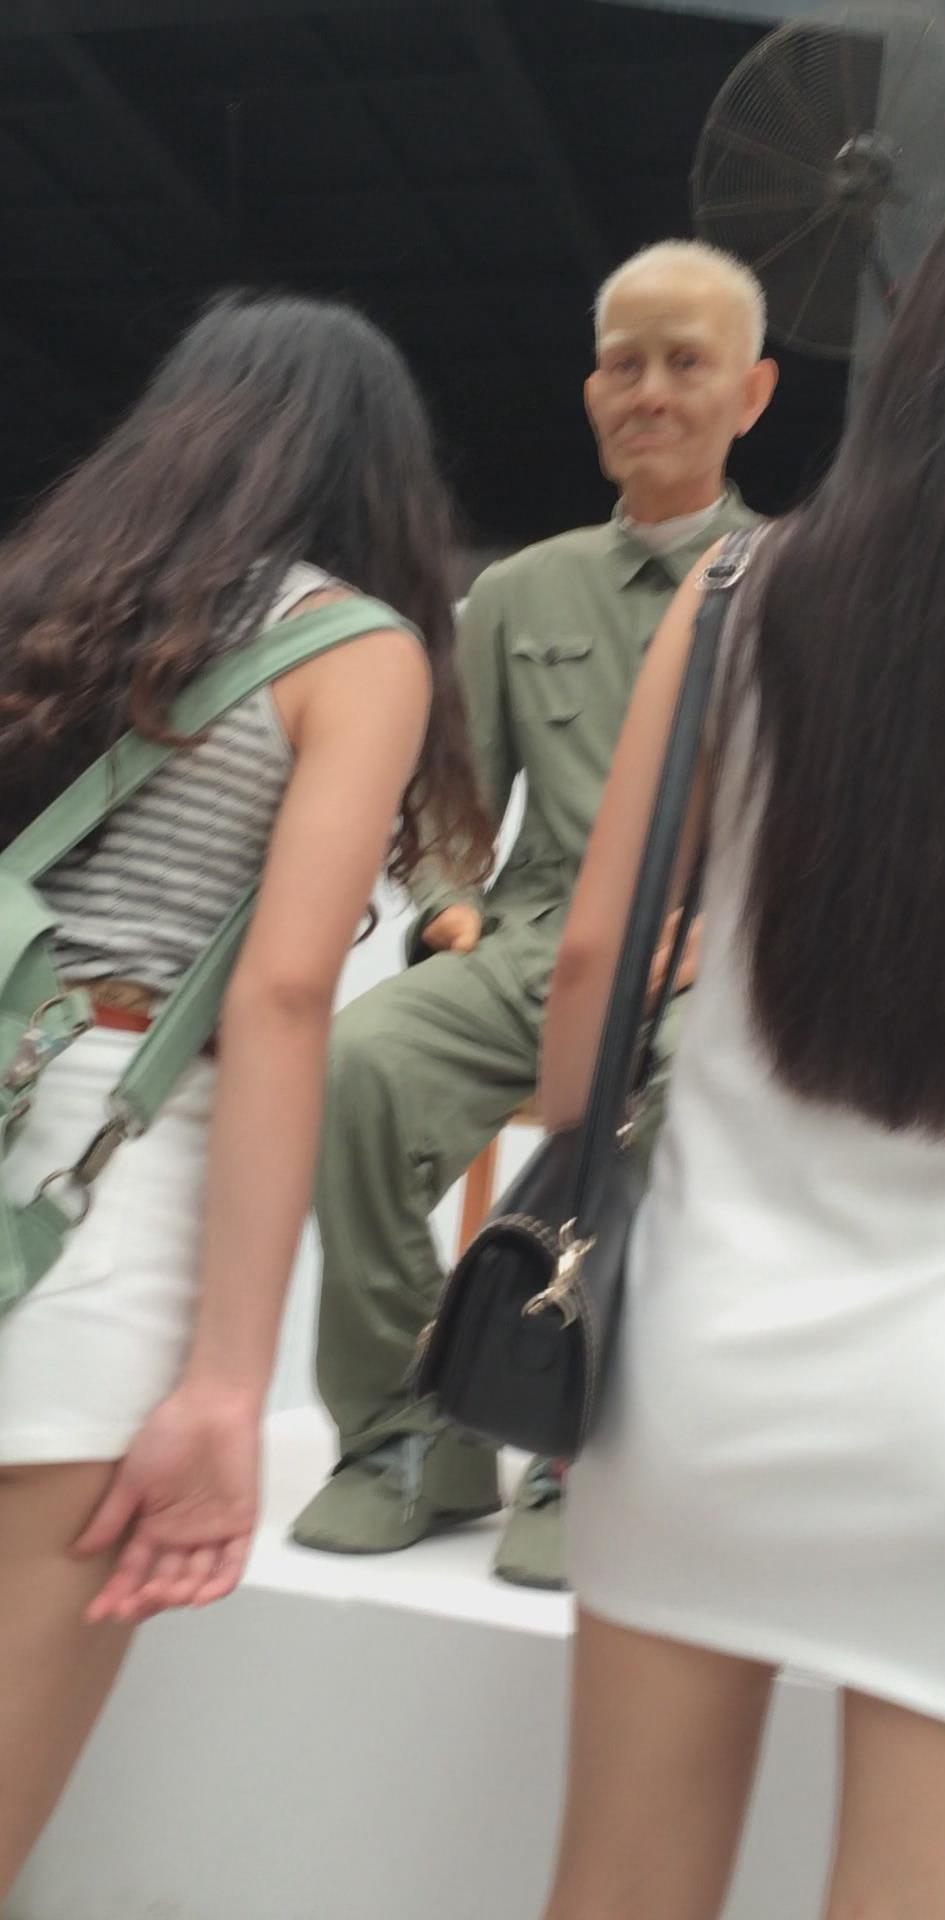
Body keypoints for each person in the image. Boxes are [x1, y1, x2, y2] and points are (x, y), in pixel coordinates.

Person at [537, 113, 945, 1920]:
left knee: (618, 1888)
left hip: (700, 1381)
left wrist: (567, 1199)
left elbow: (597, 962)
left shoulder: (742, 593)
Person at [0, 291, 491, 1901]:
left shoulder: (35, 596)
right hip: (92, 1183)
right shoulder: (355, 650)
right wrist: (228, 1386)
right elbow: (282, 996)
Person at [293, 240, 777, 1589]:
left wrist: (732, 935)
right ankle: (406, 1434)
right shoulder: (516, 594)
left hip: (712, 963)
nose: (651, 391)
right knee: (361, 1062)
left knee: (678, 1100)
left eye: (688, 363)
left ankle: (587, 1442)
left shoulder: (804, 586)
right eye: (625, 365)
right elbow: (454, 797)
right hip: (529, 946)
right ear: (592, 392)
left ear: (752, 394)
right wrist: (449, 904)